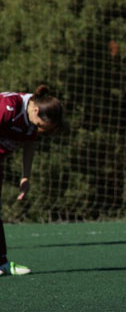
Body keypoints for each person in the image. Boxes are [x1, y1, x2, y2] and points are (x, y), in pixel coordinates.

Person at [0, 85, 64, 276]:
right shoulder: (8, 106)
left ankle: (2, 264)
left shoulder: (31, 120)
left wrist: (25, 176)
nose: (40, 131)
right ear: (36, 111)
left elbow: (29, 144)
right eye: (41, 127)